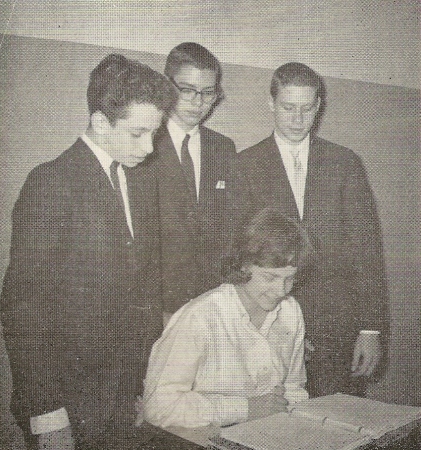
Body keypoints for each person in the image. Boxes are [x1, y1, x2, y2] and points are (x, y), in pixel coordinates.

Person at [0, 54, 176, 450]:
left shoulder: (138, 179)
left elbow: (143, 291)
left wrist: (141, 384)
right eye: (137, 133)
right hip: (66, 401)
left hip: (120, 394)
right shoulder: (51, 183)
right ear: (100, 122)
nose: (149, 147)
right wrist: (46, 414)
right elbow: (24, 309)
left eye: (155, 132)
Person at [236, 62, 389, 398]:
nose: (297, 119)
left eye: (307, 109)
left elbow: (367, 250)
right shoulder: (244, 165)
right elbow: (241, 259)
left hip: (338, 330)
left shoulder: (345, 162)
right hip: (271, 325)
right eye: (288, 107)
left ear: (318, 106)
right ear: (271, 103)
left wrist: (370, 329)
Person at [144, 208, 309, 429]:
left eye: (290, 279)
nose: (281, 290)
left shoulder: (290, 311)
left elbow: (293, 388)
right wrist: (247, 409)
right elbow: (158, 407)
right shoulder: (200, 317)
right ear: (243, 265)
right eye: (270, 277)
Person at [148, 42, 237, 321]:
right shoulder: (143, 142)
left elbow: (228, 230)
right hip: (154, 305)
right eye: (187, 90)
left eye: (208, 93)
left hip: (209, 304)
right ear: (166, 85)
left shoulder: (223, 148)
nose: (198, 102)